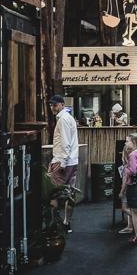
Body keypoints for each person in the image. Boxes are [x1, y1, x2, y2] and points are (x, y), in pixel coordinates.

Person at [48, 95, 79, 232]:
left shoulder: (63, 119)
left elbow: (66, 142)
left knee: (51, 193)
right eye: (51, 105)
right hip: (71, 160)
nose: (52, 108)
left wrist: (63, 162)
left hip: (62, 161)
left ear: (61, 105)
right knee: (70, 193)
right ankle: (67, 223)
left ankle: (55, 225)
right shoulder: (67, 118)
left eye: (54, 105)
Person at [120, 134, 137, 245]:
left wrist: (126, 170)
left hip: (134, 185)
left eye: (127, 141)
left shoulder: (132, 155)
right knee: (136, 211)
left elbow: (133, 171)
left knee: (134, 212)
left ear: (134, 143)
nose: (125, 143)